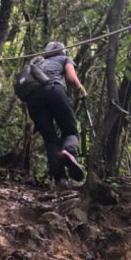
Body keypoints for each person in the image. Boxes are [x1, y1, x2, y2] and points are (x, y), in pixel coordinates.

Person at [23, 41, 87, 188]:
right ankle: (69, 152)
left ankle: (61, 180)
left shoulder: (38, 63)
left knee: (50, 139)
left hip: (33, 99)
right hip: (54, 90)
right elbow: (71, 79)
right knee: (70, 131)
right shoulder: (64, 59)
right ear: (62, 51)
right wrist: (81, 89)